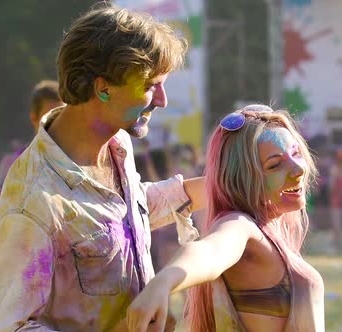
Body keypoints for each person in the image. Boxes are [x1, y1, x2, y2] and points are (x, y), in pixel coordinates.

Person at [0, 4, 205, 331]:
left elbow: (119, 215)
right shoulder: (33, 203)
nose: (162, 100)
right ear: (103, 89)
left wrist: (221, 185)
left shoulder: (117, 143)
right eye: (150, 86)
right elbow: (9, 327)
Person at [126, 105, 325, 332]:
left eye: (296, 153)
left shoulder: (267, 230)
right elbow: (211, 251)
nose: (298, 169)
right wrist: (163, 282)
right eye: (275, 164)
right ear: (244, 177)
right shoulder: (241, 225)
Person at [0, 80, 64, 205]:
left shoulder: (76, 162)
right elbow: (0, 206)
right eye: (49, 116)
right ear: (33, 117)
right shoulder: (11, 163)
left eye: (60, 116)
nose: (56, 123)